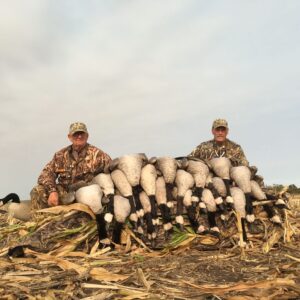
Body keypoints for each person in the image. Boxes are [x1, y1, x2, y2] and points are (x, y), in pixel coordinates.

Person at [30, 122, 111, 211]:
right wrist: (52, 191)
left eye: (81, 134)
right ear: (69, 137)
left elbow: (111, 171)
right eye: (76, 134)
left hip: (86, 194)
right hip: (65, 193)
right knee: (37, 190)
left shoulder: (99, 155)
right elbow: (45, 174)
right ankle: (41, 220)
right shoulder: (60, 155)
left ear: (87, 136)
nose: (79, 136)